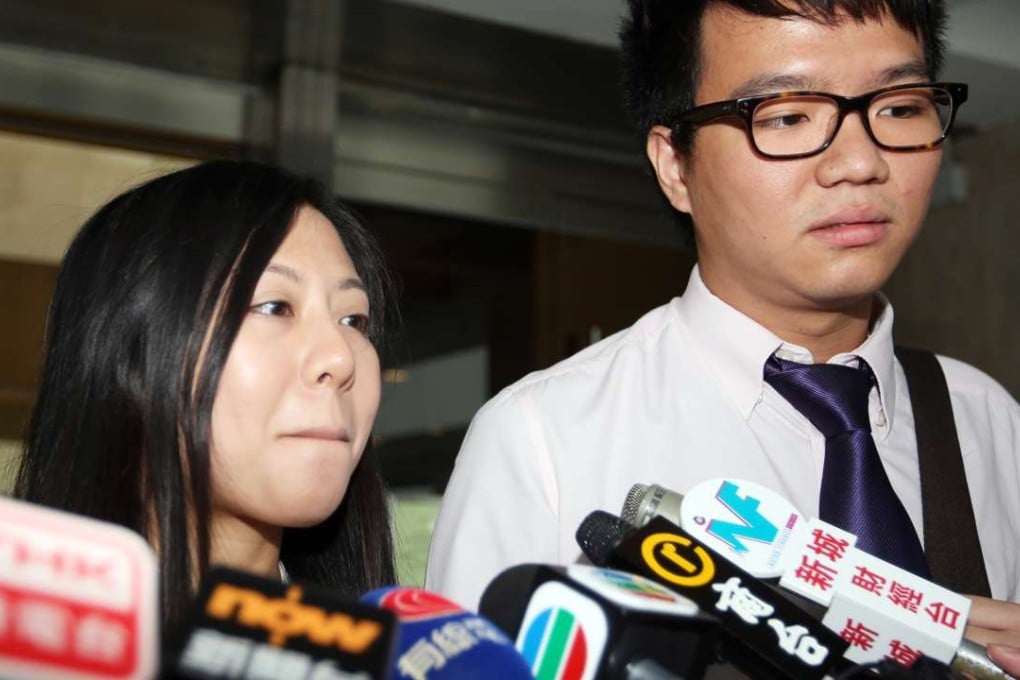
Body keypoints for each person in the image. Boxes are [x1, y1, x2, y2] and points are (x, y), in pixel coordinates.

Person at [426, 0, 1020, 673]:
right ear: (675, 166)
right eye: (787, 117)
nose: (859, 163)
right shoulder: (546, 438)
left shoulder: (985, 420)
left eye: (899, 107)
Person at [15, 160, 398, 627]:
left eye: (353, 320)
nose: (339, 358)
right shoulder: (31, 643)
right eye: (275, 307)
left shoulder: (388, 652)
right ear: (135, 350)